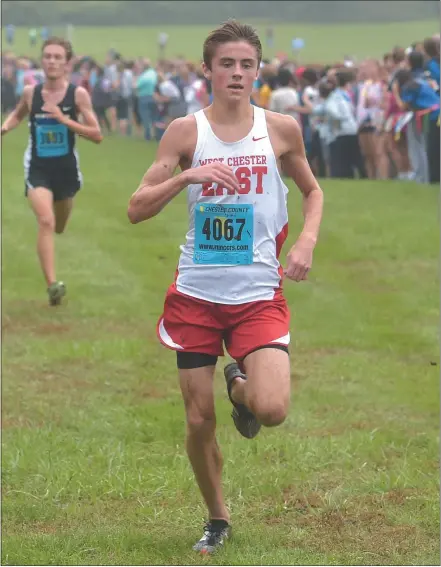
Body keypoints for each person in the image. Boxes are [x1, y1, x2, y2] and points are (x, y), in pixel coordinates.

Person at [127, 20, 323, 554]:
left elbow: (313, 190)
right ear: (208, 70)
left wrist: (305, 240)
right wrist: (186, 177)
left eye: (246, 65)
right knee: (197, 419)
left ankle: (238, 381)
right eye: (227, 64)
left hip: (258, 292)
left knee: (272, 408)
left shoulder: (280, 128)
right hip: (196, 294)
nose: (237, 74)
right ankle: (217, 516)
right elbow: (136, 208)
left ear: (257, 71)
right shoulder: (185, 133)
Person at [1, 37, 102, 306]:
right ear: (42, 60)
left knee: (58, 225)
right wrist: (5, 127)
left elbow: (97, 134)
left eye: (58, 57)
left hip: (67, 170)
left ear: (67, 63)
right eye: (48, 56)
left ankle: (59, 221)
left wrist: (64, 120)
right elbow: (18, 114)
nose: (52, 61)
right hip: (38, 168)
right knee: (45, 221)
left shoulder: (77, 94)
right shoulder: (30, 93)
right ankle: (52, 286)